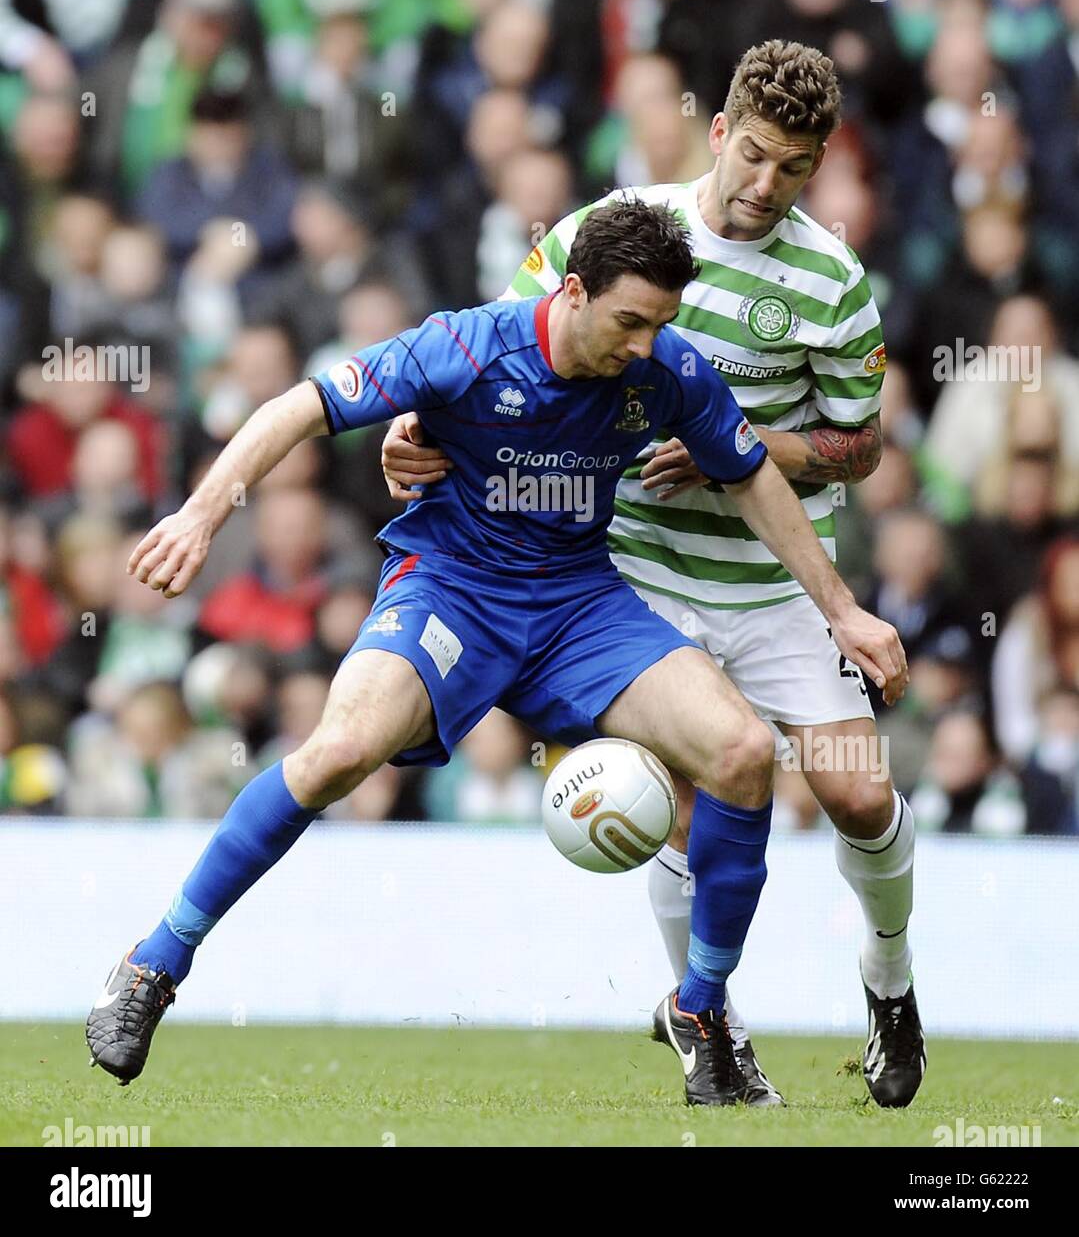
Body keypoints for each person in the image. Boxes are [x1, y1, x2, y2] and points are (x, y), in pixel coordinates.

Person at [86, 198, 906, 1106]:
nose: (643, 345)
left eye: (660, 325)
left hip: (577, 606)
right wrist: (202, 514)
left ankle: (701, 1012)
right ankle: (153, 965)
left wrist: (841, 612)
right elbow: (301, 406)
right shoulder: (467, 346)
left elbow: (753, 477)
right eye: (629, 321)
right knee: (338, 754)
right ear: (573, 290)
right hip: (453, 591)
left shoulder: (667, 368)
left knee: (745, 755)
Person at [383, 39, 927, 1108]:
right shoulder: (620, 227)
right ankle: (707, 1018)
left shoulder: (830, 280)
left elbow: (859, 447)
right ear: (716, 133)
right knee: (687, 800)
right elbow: (501, 352)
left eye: (796, 168)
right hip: (631, 571)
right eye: (755, 156)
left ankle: (891, 984)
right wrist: (409, 427)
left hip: (772, 585)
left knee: (860, 793)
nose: (768, 185)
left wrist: (743, 443)